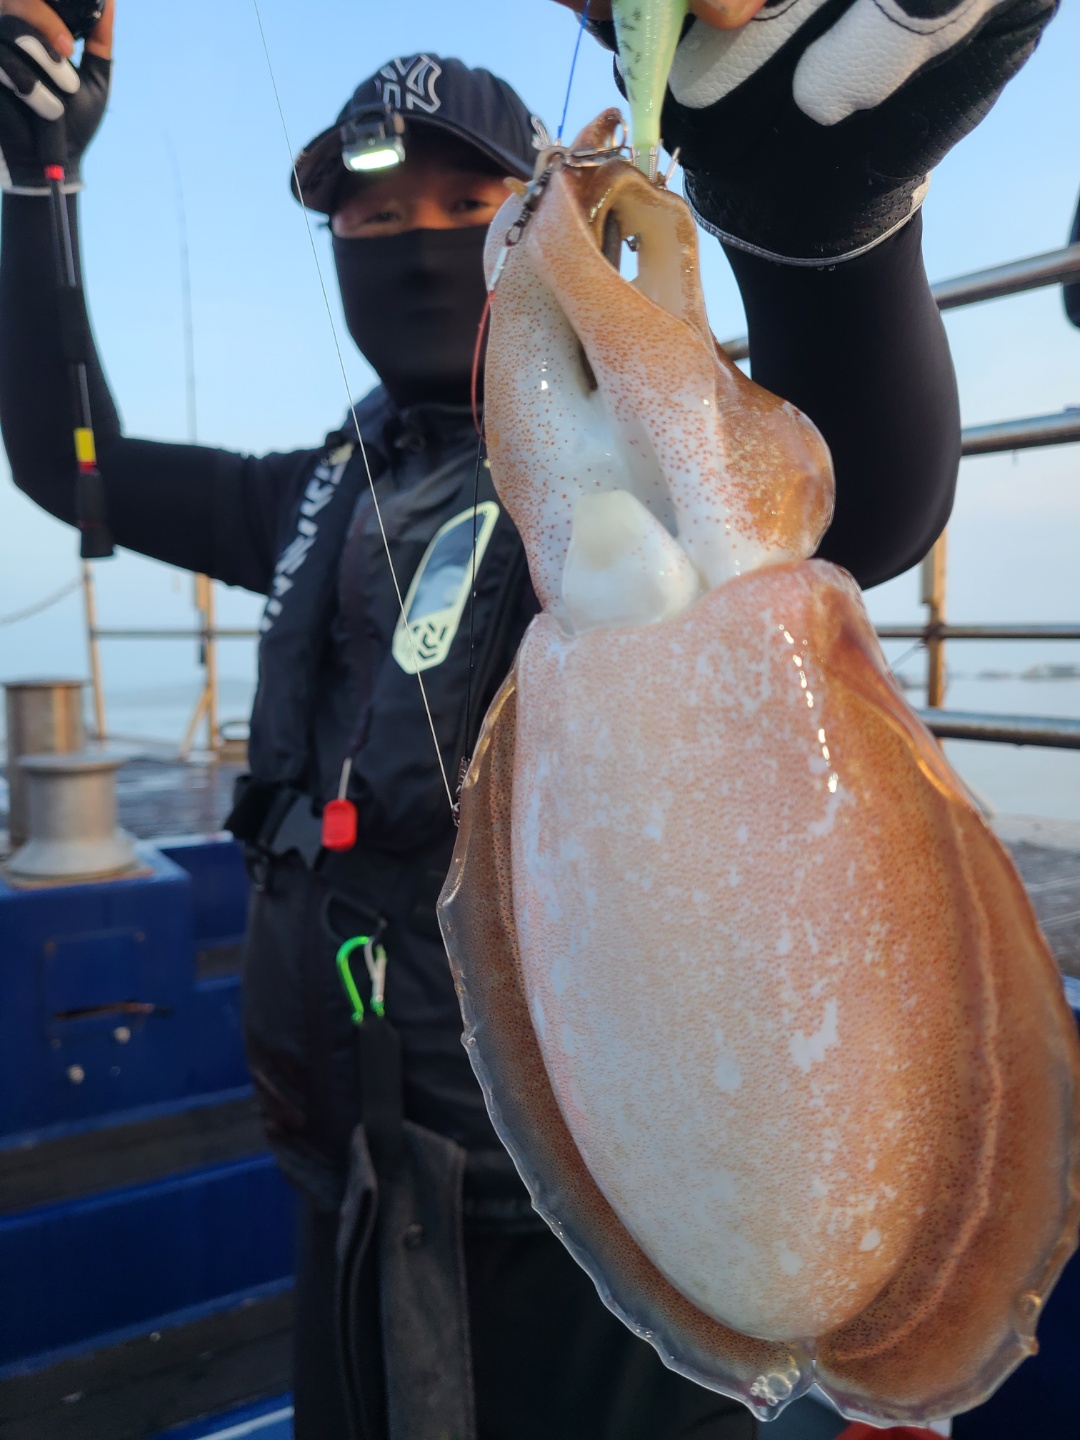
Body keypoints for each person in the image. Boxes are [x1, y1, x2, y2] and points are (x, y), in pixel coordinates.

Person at [0, 1, 1057, 1436]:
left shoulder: (596, 496)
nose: (413, 239)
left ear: (520, 220)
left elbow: (862, 502)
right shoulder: (314, 494)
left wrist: (824, 240)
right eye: (374, 216)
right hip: (345, 1170)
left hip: (600, 1192)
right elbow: (72, 467)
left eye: (464, 203)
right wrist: (39, 184)